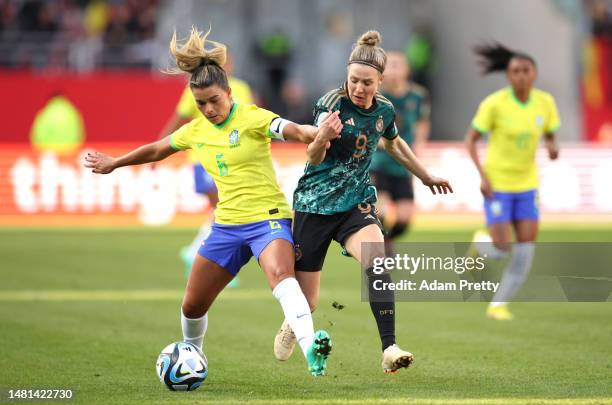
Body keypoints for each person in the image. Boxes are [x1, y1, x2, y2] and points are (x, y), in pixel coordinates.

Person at [85, 27, 342, 376]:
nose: (207, 109)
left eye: (213, 101)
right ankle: (193, 357)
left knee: (281, 276)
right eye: (200, 103)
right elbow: (158, 149)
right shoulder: (195, 129)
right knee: (192, 306)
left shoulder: (252, 116)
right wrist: (115, 162)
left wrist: (321, 131)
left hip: (268, 220)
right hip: (226, 226)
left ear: (229, 93)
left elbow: (294, 130)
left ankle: (311, 347)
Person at [272, 31, 452, 373]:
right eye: (353, 80)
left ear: (380, 81)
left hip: (356, 203)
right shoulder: (331, 104)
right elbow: (311, 153)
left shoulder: (384, 109)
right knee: (307, 301)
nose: (358, 88)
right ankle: (293, 323)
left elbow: (395, 145)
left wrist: (425, 176)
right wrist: (323, 136)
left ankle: (389, 348)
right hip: (314, 205)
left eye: (367, 82)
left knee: (377, 262)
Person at [465, 43, 560, 320]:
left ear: (534, 74)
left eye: (525, 71)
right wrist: (482, 176)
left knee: (525, 249)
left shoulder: (546, 102)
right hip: (498, 185)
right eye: (514, 71)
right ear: (508, 76)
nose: (520, 75)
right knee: (500, 249)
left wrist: (553, 147)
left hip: (528, 185)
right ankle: (481, 244)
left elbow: (550, 133)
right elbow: (470, 140)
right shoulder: (495, 104)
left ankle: (498, 305)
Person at [159, 51, 254, 283]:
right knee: (223, 210)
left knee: (223, 211)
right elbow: (180, 117)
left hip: (232, 161)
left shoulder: (241, 88)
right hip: (205, 159)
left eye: (228, 63)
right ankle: (206, 258)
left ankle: (199, 254)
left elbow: (251, 122)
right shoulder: (196, 89)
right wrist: (161, 143)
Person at [370, 50, 431, 255]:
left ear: (407, 70)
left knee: (405, 219)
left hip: (403, 163)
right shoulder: (375, 95)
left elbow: (422, 120)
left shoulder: (417, 95)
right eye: (390, 65)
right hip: (380, 162)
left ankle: (387, 239)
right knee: (382, 210)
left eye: (398, 65)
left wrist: (419, 142)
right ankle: (381, 244)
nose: (394, 69)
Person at [30, 91, 85, 155]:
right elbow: (79, 132)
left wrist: (40, 149)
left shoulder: (45, 112)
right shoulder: (72, 112)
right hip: (69, 151)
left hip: (48, 151)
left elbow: (38, 133)